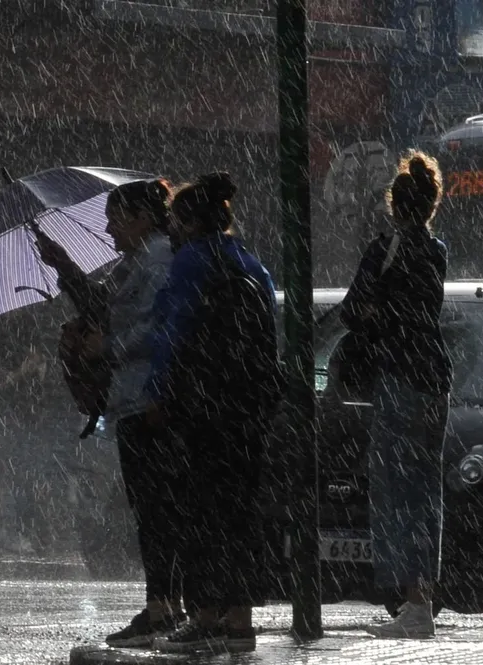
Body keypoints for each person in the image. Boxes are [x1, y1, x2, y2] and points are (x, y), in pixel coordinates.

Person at [35, 178, 188, 648]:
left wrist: (109, 346)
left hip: (149, 401)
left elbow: (160, 326)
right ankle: (164, 603)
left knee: (158, 508)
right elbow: (105, 305)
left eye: (115, 219)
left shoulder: (159, 258)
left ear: (142, 218)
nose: (108, 229)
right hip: (133, 399)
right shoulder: (136, 261)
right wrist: (64, 268)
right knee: (150, 509)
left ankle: (165, 607)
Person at [145, 172, 279, 655]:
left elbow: (172, 332)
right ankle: (239, 622)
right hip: (247, 410)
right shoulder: (251, 264)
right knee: (241, 515)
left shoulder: (190, 262)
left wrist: (157, 392)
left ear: (186, 220)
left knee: (200, 512)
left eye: (174, 220)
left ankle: (203, 617)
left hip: (203, 409)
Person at [340, 150, 452, 639]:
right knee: (426, 492)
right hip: (434, 376)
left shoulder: (383, 250)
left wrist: (374, 317)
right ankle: (423, 597)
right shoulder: (437, 251)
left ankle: (412, 602)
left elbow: (351, 311)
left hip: (399, 377)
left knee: (394, 492)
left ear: (393, 206)